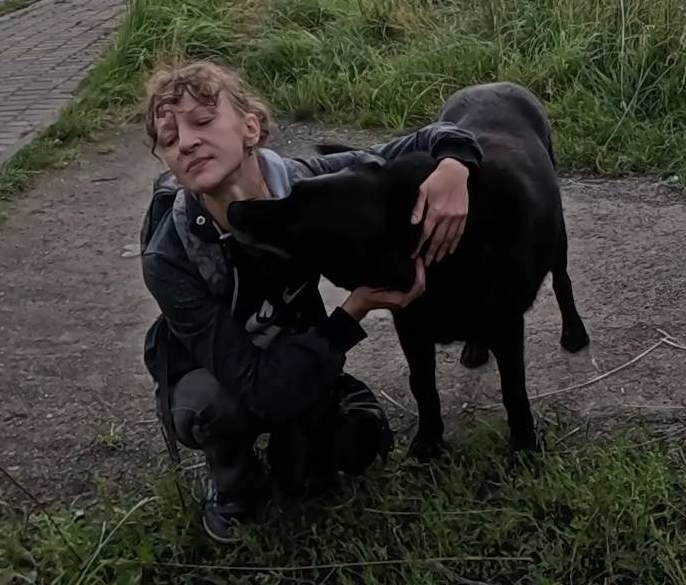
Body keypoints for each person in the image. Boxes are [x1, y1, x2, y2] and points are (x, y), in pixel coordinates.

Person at [138, 61, 483, 542]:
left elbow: (427, 139)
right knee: (212, 408)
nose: (187, 143)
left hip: (292, 345)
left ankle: (312, 418)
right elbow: (258, 387)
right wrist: (354, 310)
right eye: (170, 138)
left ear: (251, 128)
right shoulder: (170, 255)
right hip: (221, 371)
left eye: (203, 121)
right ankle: (232, 477)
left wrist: (454, 167)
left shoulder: (302, 184)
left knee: (331, 462)